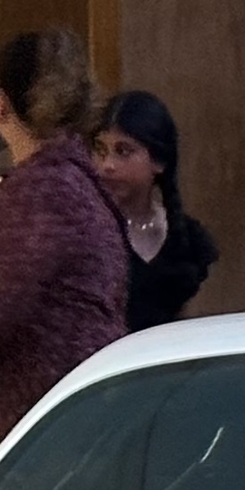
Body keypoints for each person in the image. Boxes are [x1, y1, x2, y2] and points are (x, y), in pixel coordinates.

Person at [0, 29, 126, 474]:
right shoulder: (80, 182)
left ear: (0, 106)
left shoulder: (38, 189)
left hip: (39, 415)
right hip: (80, 402)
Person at [94, 90, 220, 332]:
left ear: (158, 161)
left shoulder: (190, 241)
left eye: (123, 151)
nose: (106, 165)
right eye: (100, 150)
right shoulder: (86, 233)